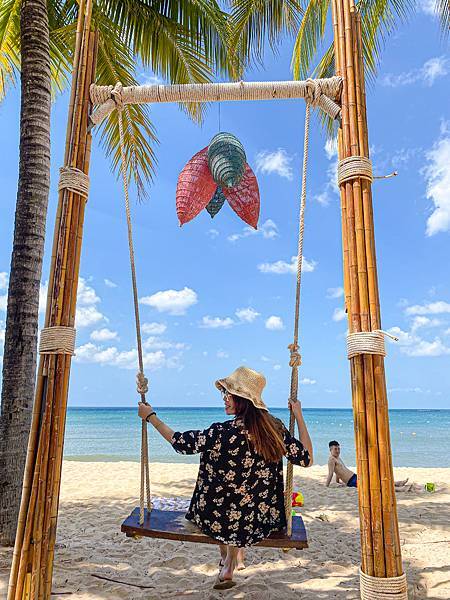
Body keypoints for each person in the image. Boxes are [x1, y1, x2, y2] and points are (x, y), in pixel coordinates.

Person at [138, 366, 313, 590]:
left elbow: (179, 442)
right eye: (225, 394)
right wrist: (298, 415)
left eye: (229, 394)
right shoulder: (274, 430)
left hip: (215, 518)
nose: (225, 399)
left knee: (223, 500)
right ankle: (231, 560)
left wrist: (151, 417)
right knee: (238, 508)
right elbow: (307, 459)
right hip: (260, 521)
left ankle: (228, 559)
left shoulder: (220, 433)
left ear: (242, 400)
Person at [326, 441, 408, 489]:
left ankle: (397, 484)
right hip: (351, 481)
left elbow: (338, 471)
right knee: (374, 485)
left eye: (338, 449)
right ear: (330, 450)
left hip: (354, 477)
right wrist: (326, 486)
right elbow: (331, 473)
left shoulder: (338, 458)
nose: (337, 451)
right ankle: (398, 488)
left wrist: (338, 482)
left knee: (375, 480)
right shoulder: (331, 459)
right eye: (335, 449)